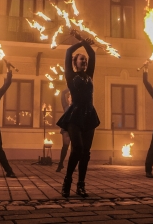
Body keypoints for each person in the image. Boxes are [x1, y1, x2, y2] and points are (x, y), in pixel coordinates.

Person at [56, 38, 100, 198]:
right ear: (75, 62)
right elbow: (68, 52)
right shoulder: (70, 75)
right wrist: (80, 42)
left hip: (89, 116)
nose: (85, 62)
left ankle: (81, 185)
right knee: (77, 149)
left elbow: (92, 54)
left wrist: (86, 44)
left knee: (86, 153)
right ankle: (67, 181)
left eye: (86, 60)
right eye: (82, 59)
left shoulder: (89, 75)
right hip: (75, 116)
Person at [56, 89, 71, 172]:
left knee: (75, 148)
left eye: (72, 97)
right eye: (69, 97)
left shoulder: (76, 107)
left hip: (75, 128)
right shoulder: (66, 106)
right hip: (66, 129)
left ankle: (73, 165)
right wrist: (70, 87)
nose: (71, 98)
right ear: (68, 98)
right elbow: (62, 93)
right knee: (65, 146)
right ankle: (60, 163)